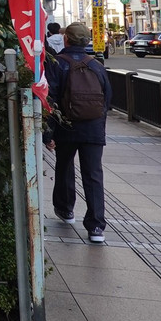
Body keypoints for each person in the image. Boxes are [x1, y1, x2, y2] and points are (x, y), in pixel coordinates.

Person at [44, 21, 113, 243]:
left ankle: (66, 210)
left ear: (66, 39)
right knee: (93, 175)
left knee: (64, 166)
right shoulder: (97, 65)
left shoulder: (58, 64)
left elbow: (51, 98)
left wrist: (49, 133)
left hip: (67, 126)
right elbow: (107, 99)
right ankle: (96, 227)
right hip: (93, 128)